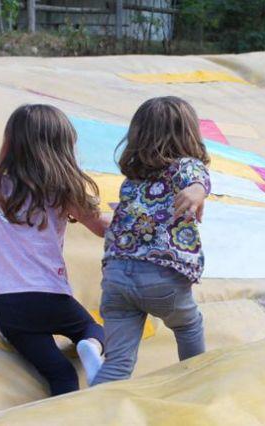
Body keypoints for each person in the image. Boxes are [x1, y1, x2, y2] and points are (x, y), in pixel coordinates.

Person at [0, 104, 109, 396]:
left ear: (10, 144)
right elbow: (103, 227)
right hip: (51, 297)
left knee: (60, 373)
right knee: (95, 330)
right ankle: (91, 346)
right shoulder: (62, 191)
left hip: (9, 307)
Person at [92, 96, 211, 385]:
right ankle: (195, 383)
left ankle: (92, 411)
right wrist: (197, 191)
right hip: (160, 277)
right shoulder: (185, 167)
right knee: (189, 327)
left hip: (117, 278)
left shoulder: (132, 180)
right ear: (189, 134)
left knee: (117, 363)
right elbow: (197, 179)